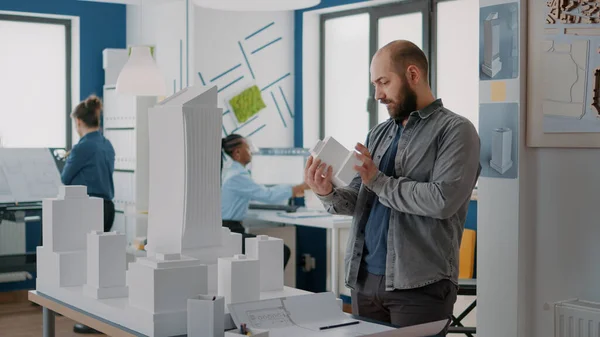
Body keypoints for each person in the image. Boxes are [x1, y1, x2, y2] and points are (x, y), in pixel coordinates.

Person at [305, 40, 481, 331]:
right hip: (365, 279)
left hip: (420, 285)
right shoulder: (378, 133)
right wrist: (327, 191)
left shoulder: (457, 131)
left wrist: (377, 180)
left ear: (413, 75)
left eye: (384, 82)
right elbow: (361, 199)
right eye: (374, 85)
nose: (377, 95)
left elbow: (442, 200)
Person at [61, 95, 116, 334]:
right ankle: (98, 316)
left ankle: (89, 318)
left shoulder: (83, 146)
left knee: (86, 265)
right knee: (97, 264)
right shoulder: (107, 144)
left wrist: (68, 158)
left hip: (88, 208)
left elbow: (65, 178)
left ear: (79, 123)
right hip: (107, 207)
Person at [221, 134, 308, 268]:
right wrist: (297, 188)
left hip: (230, 229)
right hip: (231, 232)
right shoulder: (237, 176)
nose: (251, 152)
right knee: (281, 251)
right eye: (248, 148)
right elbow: (267, 195)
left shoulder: (231, 172)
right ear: (237, 152)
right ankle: (268, 287)